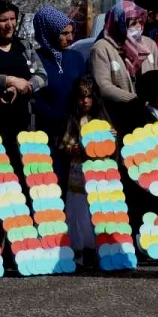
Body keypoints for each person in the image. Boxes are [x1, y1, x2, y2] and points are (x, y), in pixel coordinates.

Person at [0, 0, 48, 174]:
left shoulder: (24, 46)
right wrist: (7, 80)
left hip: (26, 125)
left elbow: (42, 76)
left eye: (12, 19)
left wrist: (22, 86)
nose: (10, 24)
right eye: (3, 20)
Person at [58, 76, 111, 269]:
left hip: (98, 175)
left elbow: (110, 147)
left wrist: (111, 137)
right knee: (78, 212)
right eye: (81, 97)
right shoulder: (72, 119)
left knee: (97, 210)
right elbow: (63, 145)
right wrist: (73, 148)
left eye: (89, 97)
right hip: (78, 175)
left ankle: (99, 251)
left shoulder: (102, 120)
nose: (85, 101)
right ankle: (79, 253)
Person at [31, 6, 84, 191]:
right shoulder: (35, 59)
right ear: (49, 32)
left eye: (71, 32)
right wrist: (55, 117)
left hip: (74, 135)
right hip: (47, 135)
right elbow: (34, 97)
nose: (70, 38)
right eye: (64, 33)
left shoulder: (76, 58)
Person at [89, 1, 158, 132]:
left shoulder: (149, 44)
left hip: (149, 118)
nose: (138, 27)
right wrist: (134, 100)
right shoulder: (101, 48)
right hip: (118, 119)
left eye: (140, 22)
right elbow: (102, 86)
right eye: (133, 23)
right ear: (119, 23)